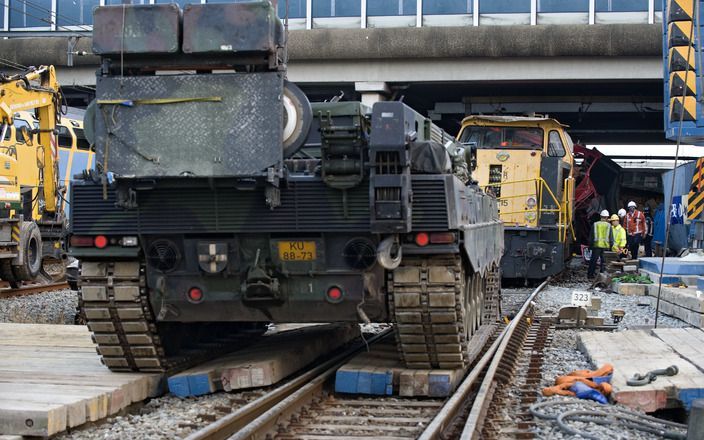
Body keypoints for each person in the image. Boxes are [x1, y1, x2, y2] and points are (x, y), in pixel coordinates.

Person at [588, 210, 613, 278]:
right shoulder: (609, 225)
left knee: (593, 261)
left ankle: (590, 275)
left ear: (600, 216)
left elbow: (591, 236)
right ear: (607, 217)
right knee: (604, 262)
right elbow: (611, 237)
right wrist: (611, 245)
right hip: (605, 246)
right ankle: (602, 276)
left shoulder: (595, 224)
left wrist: (590, 245)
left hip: (596, 245)